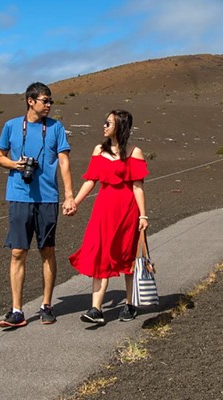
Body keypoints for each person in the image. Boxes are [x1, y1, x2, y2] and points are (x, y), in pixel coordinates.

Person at [0, 82, 76, 328]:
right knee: (17, 251)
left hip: (47, 198)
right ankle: (17, 310)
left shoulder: (56, 128)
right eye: (45, 100)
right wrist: (15, 165)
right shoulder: (11, 126)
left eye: (51, 101)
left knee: (47, 250)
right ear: (31, 101)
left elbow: (63, 162)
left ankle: (46, 305)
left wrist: (69, 195)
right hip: (19, 196)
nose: (49, 105)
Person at [68, 109, 149, 324]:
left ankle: (130, 304)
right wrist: (75, 202)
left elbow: (138, 186)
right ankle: (96, 309)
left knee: (126, 256)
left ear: (120, 126)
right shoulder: (98, 150)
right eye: (105, 122)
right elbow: (90, 180)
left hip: (127, 211)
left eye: (109, 123)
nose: (104, 126)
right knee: (99, 253)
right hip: (103, 210)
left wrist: (143, 216)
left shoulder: (134, 152)